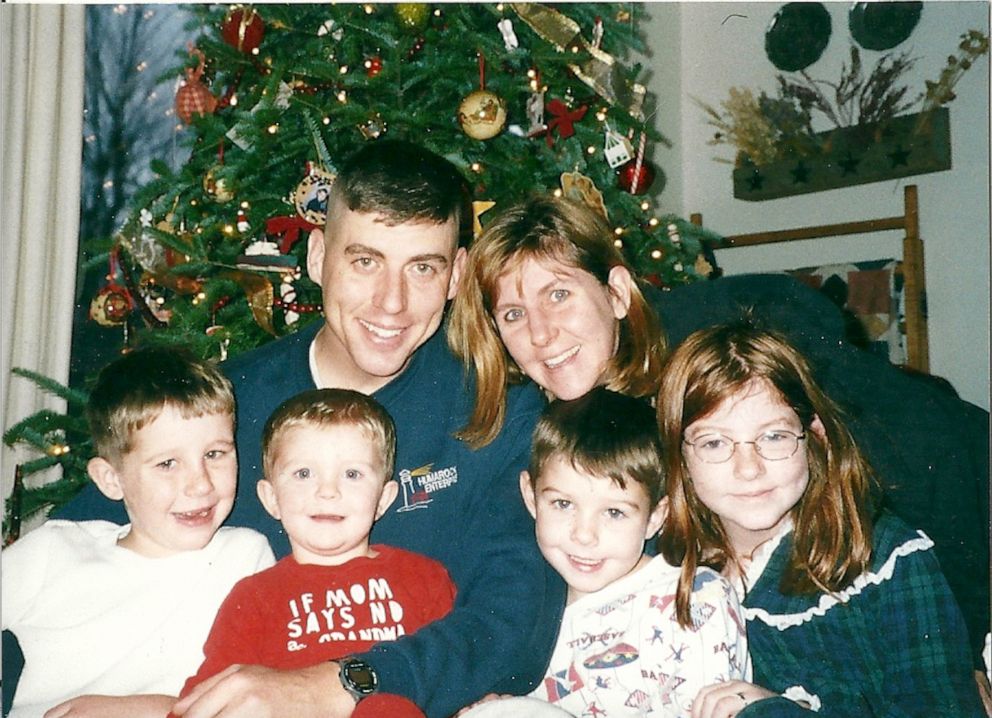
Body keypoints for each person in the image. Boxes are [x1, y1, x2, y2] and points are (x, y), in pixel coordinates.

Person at [61, 140, 565, 718]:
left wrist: (348, 682)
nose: (392, 303)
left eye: (422, 267)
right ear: (318, 256)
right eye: (365, 261)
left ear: (456, 277)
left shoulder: (494, 412)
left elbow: (513, 628)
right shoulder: (223, 407)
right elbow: (70, 547)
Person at [446, 194, 990, 667]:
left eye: (558, 294)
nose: (541, 333)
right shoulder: (549, 424)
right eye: (514, 315)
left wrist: (965, 646)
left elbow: (927, 442)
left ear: (616, 293)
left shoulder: (719, 341)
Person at [655, 321, 984, 717]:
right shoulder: (663, 573)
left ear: (814, 436)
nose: (748, 469)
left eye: (773, 436)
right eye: (713, 442)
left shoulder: (888, 560)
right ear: (681, 457)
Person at [2, 347, 274, 718]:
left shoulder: (244, 555)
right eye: (167, 463)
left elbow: (257, 693)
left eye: (215, 454)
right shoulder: (54, 549)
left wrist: (149, 709)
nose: (199, 484)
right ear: (111, 479)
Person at [461, 387, 748, 718]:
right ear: (530, 496)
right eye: (563, 504)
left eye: (614, 513)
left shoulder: (693, 598)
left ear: (655, 516)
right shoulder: (518, 608)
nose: (584, 535)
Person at [174, 388, 457, 718]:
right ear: (271, 498)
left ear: (383, 498)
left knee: (385, 707)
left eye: (352, 474)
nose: (327, 491)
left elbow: (458, 670)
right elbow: (207, 697)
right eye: (303, 473)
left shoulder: (423, 576)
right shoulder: (254, 597)